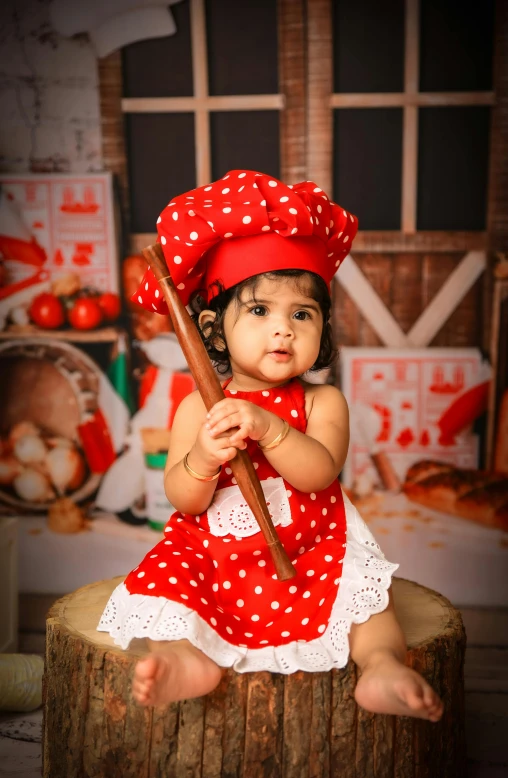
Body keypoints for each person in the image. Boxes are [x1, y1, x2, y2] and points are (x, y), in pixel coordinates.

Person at [97, 170, 443, 722]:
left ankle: (380, 667)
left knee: (367, 596)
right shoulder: (197, 408)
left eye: (301, 314)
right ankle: (185, 663)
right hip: (216, 553)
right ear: (213, 328)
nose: (282, 330)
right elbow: (185, 500)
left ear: (323, 329)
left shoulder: (321, 403)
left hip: (310, 544)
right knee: (171, 590)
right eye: (259, 311)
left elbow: (318, 475)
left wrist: (271, 428)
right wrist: (204, 458)